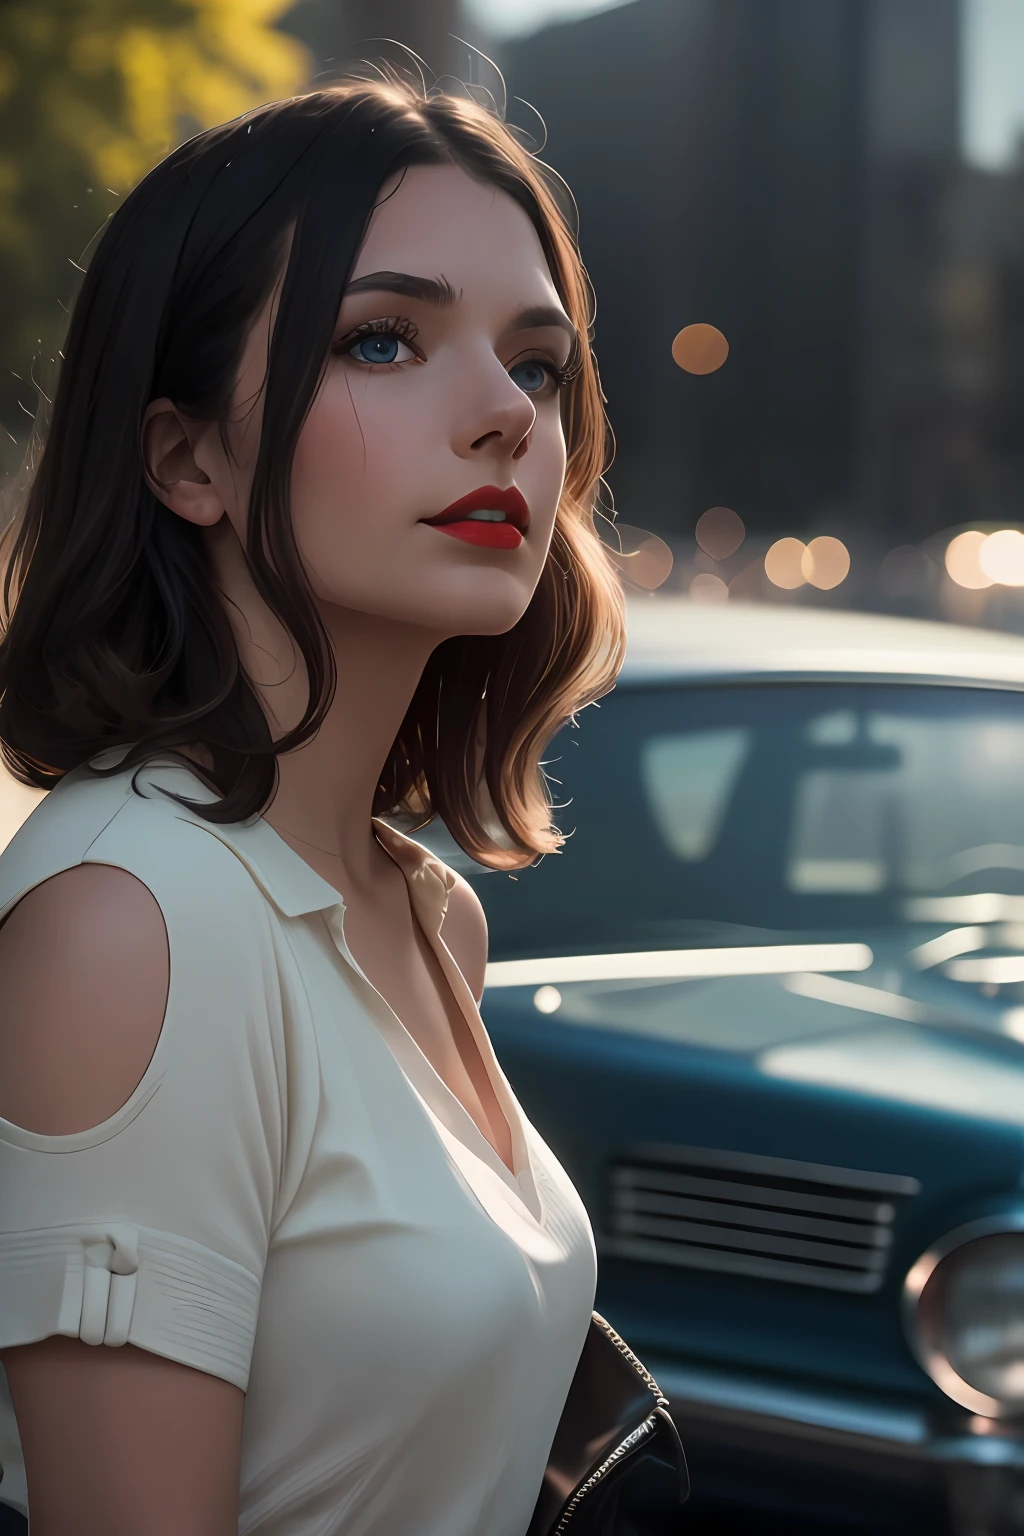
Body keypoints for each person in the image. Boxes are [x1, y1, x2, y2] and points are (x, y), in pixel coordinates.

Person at [0, 70, 626, 1536]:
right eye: (385, 339)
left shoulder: (427, 912)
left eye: (537, 365)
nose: (501, 419)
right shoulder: (128, 928)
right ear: (187, 458)